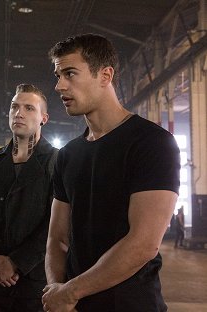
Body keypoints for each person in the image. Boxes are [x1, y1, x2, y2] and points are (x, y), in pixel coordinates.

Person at [42, 34, 180, 312]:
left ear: (105, 75)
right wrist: (57, 291)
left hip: (131, 305)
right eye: (58, 75)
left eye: (70, 73)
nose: (59, 86)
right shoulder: (68, 155)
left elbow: (143, 244)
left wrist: (69, 292)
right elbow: (57, 239)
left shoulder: (151, 143)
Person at [0, 84, 59, 312]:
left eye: (29, 108)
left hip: (33, 285)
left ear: (43, 118)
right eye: (14, 107)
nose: (19, 113)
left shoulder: (58, 163)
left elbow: (56, 222)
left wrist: (16, 263)